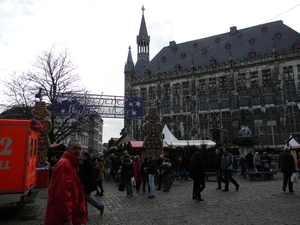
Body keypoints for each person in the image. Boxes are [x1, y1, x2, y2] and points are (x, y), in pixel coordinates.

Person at [44, 139, 88, 225]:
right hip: (59, 219)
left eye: (79, 148)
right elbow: (62, 195)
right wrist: (67, 218)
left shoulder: (71, 163)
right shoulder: (64, 165)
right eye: (75, 148)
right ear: (67, 149)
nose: (78, 151)